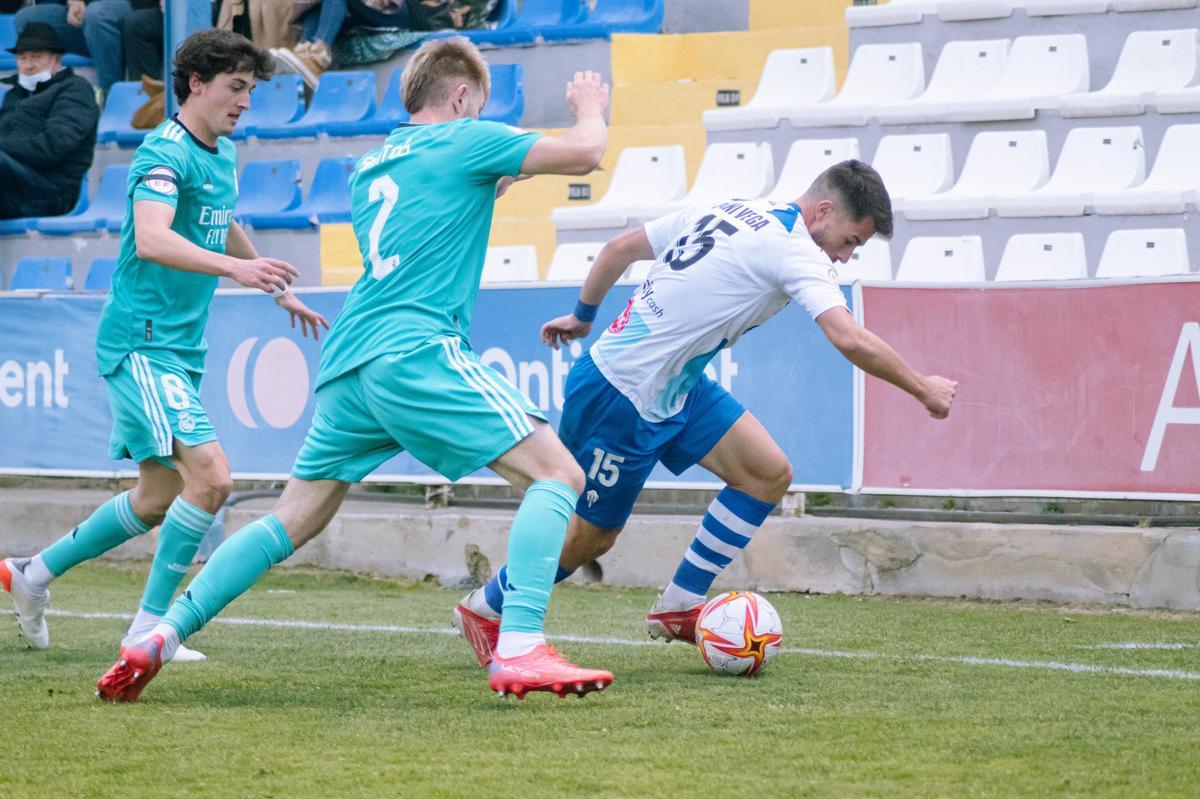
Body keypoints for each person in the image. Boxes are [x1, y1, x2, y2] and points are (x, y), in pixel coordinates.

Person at [97, 36, 614, 703]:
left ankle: (159, 633)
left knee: (291, 518)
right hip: (414, 346)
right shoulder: (469, 139)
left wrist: (498, 170)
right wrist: (588, 105)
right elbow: (586, 153)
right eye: (476, 107)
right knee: (559, 473)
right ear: (462, 99)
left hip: (350, 360)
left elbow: (452, 192)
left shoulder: (375, 164)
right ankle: (520, 647)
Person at [452, 160, 959, 666]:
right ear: (823, 211)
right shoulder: (795, 249)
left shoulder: (733, 207)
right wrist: (922, 389)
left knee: (767, 473)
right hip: (620, 394)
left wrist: (583, 316)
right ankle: (487, 608)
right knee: (592, 536)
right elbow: (848, 336)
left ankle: (680, 603)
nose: (845, 258)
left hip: (676, 385)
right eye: (850, 241)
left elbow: (619, 249)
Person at [1, 29, 329, 664]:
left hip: (179, 349)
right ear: (196, 85)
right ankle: (147, 630)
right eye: (236, 88)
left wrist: (268, 280)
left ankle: (30, 573)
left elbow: (219, 216)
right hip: (141, 343)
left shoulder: (220, 154)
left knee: (157, 497)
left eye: (252, 91)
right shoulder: (162, 152)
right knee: (211, 480)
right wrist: (236, 272)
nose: (245, 102)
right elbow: (151, 238)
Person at [0, 22, 99, 219]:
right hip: (11, 184)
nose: (28, 65)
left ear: (56, 59)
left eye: (36, 57)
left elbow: (54, 147)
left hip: (52, 190)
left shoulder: (75, 89)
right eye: (22, 58)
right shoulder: (14, 94)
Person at [14, 0, 135, 95]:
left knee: (97, 14)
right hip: (87, 16)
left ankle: (112, 96)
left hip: (131, 9)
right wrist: (74, 2)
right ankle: (46, 99)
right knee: (26, 19)